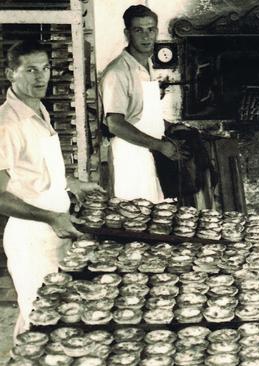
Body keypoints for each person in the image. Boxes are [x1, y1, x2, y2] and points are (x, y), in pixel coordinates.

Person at [0, 40, 102, 337]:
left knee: (58, 316)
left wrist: (74, 185)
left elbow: (36, 171)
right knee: (38, 318)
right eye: (30, 70)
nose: (40, 77)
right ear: (10, 74)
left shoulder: (38, 110)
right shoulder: (7, 124)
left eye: (45, 68)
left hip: (58, 228)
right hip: (32, 238)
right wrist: (50, 218)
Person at [100, 5, 186, 203]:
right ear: (127, 33)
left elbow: (141, 115)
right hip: (130, 157)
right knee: (135, 218)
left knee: (156, 217)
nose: (146, 36)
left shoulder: (146, 66)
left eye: (151, 29)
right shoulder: (118, 72)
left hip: (150, 152)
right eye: (139, 30)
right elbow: (115, 124)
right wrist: (160, 146)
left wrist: (170, 126)